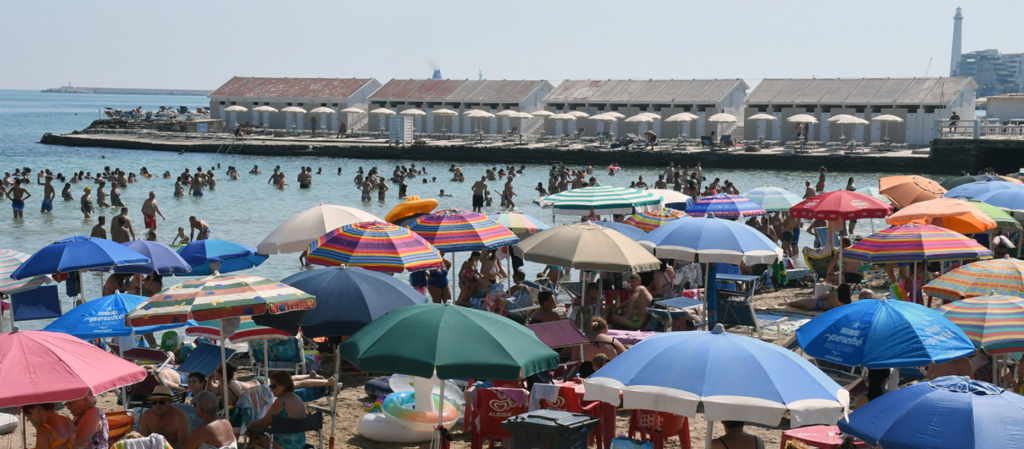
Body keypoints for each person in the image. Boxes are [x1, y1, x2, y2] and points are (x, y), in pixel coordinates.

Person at [246, 372, 306, 449]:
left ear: (284, 385)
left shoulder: (282, 401)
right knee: (257, 441)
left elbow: (263, 423)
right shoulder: (298, 398)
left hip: (285, 445)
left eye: (274, 386)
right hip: (299, 444)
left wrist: (251, 423)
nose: (271, 389)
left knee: (256, 429)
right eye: (270, 386)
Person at [778, 283, 854, 311]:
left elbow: (820, 297)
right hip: (818, 308)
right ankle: (788, 303)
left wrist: (829, 293)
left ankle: (786, 303)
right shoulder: (846, 303)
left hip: (814, 304)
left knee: (796, 303)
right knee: (799, 305)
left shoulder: (833, 295)